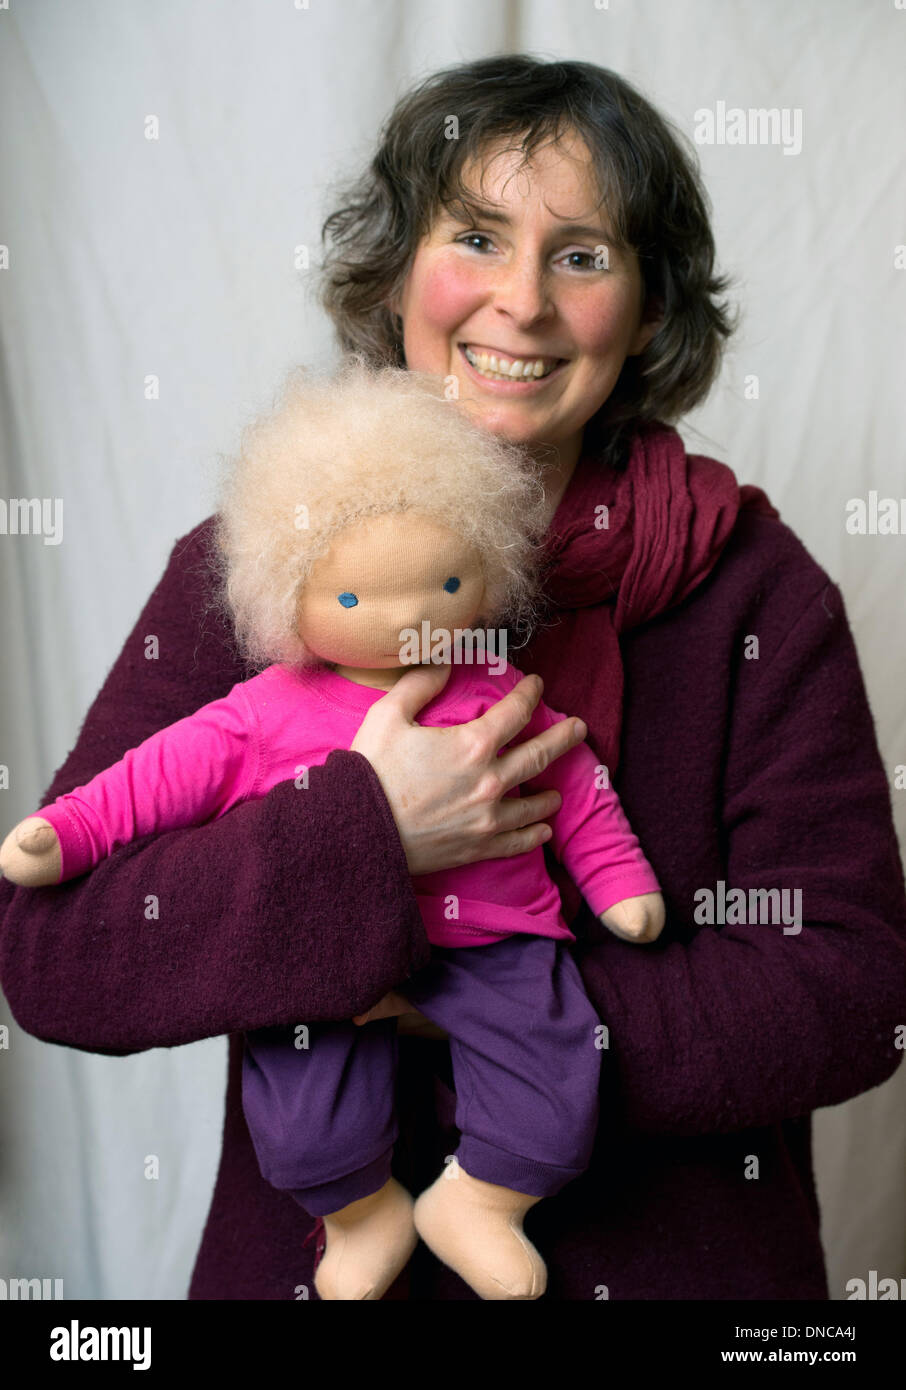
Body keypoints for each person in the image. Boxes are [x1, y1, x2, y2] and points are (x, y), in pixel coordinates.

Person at [1, 54, 904, 1302]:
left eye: (582, 256)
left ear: (647, 313)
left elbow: (849, 984)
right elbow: (61, 952)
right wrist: (366, 835)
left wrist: (499, 1002)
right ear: (396, 274)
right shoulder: (262, 564)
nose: (520, 303)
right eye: (476, 236)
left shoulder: (751, 587)